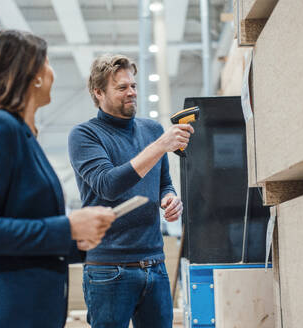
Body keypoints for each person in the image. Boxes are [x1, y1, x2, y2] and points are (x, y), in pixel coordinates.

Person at [0, 30, 116, 328]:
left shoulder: (22, 134)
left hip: (22, 311)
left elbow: (21, 226)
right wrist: (66, 226)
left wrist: (76, 242)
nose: (53, 72)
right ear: (34, 75)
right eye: (48, 62)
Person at [68, 54, 194, 328]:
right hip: (109, 269)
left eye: (133, 86)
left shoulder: (151, 130)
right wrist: (160, 145)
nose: (132, 93)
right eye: (122, 88)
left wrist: (169, 199)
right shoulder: (85, 135)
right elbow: (108, 184)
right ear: (98, 92)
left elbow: (164, 183)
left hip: (155, 265)